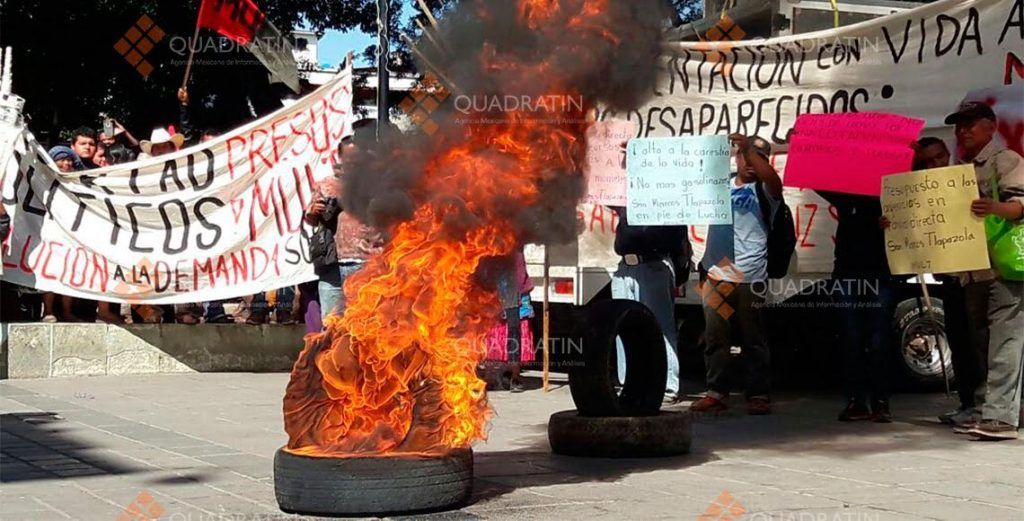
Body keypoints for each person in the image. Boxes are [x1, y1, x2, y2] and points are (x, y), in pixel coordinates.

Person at [944, 101, 1024, 441]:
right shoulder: (954, 170)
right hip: (972, 270)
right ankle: (987, 409)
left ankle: (1000, 417)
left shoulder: (1006, 161)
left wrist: (994, 207)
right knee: (983, 343)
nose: (962, 130)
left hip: (1004, 268)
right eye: (959, 125)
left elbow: (1020, 206)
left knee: (1004, 342)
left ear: (990, 126)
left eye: (970, 123)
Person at [690, 134, 782, 416]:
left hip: (751, 275)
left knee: (753, 337)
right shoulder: (720, 187)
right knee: (715, 336)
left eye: (761, 158)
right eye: (747, 156)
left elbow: (775, 182)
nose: (753, 163)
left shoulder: (766, 192)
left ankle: (758, 393)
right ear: (737, 159)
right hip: (718, 273)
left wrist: (747, 148)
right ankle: (716, 391)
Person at [816, 157, 901, 423]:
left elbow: (916, 211)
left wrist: (894, 223)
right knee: (850, 339)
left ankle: (880, 401)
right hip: (847, 275)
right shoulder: (844, 194)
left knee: (878, 341)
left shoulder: (892, 196)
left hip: (880, 275)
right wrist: (801, 146)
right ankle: (856, 401)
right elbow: (814, 177)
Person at [610, 205, 689, 403]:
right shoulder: (626, 195)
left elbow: (676, 237)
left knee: (660, 326)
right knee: (623, 327)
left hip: (654, 263)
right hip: (625, 266)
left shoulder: (663, 196)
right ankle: (628, 383)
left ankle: (668, 387)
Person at [305, 138, 385, 319]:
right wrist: (312, 212)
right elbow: (311, 220)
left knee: (365, 322)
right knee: (332, 323)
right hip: (331, 263)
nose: (352, 164)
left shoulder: (377, 184)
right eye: (348, 159)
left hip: (367, 261)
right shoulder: (326, 185)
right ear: (340, 157)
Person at [485, 250, 536, 392]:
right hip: (494, 285)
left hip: (515, 286)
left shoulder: (516, 234)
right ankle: (493, 376)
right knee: (494, 328)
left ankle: (515, 376)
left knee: (515, 329)